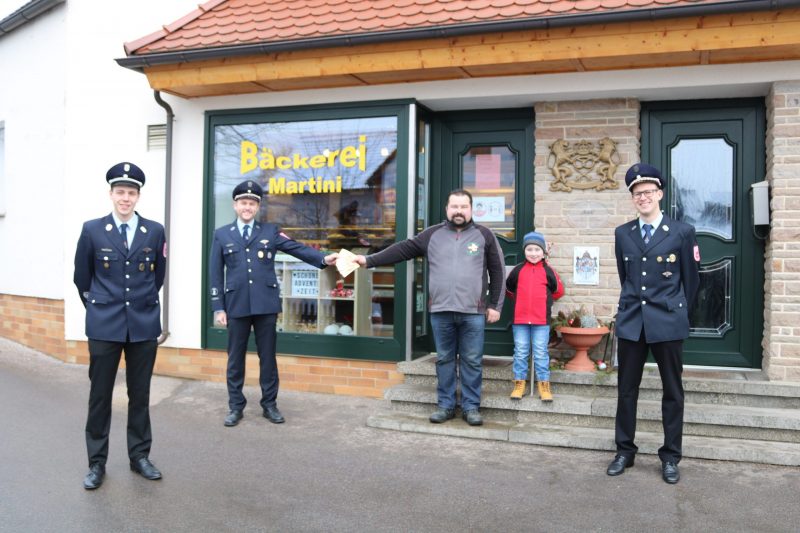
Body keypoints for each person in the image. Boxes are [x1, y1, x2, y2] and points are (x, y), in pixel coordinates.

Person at [354, 189, 505, 426]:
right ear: (446, 209)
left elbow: (498, 272)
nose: (458, 211)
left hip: (473, 312)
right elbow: (402, 249)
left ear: (471, 209)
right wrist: (369, 260)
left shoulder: (484, 235)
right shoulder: (431, 235)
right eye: (454, 206)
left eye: (463, 207)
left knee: (472, 360)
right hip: (441, 310)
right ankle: (445, 406)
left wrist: (495, 305)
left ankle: (471, 407)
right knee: (444, 359)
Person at [210, 180, 337, 427]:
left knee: (267, 358)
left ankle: (270, 404)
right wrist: (218, 306)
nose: (247, 207)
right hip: (235, 304)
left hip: (265, 304)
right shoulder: (222, 234)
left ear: (257, 207)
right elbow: (216, 272)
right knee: (235, 358)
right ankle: (235, 406)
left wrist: (323, 258)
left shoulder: (269, 231)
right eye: (243, 203)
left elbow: (295, 248)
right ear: (235, 205)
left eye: (252, 203)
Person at [73, 162, 167, 490]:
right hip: (103, 325)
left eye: (131, 192)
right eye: (120, 192)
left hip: (142, 324)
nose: (125, 198)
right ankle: (96, 463)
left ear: (138, 196)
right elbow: (82, 277)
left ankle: (139, 456)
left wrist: (135, 305)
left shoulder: (154, 231)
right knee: (100, 396)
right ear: (111, 194)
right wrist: (102, 307)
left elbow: (157, 277)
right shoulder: (92, 229)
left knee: (139, 395)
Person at [606, 163, 700, 484]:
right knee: (626, 390)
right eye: (637, 193)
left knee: (672, 391)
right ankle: (624, 451)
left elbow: (691, 281)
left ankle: (671, 456)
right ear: (632, 199)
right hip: (633, 322)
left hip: (668, 322)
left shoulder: (681, 232)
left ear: (659, 194)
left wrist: (679, 315)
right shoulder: (623, 233)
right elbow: (626, 277)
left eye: (648, 192)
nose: (643, 197)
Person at [505, 231, 564, 401]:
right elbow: (509, 289)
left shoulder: (548, 271)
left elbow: (558, 291)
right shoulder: (517, 270)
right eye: (529, 249)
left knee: (540, 353)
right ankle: (519, 384)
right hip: (520, 320)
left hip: (541, 320)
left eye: (537, 250)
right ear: (524, 251)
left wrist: (543, 301)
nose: (533, 253)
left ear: (543, 251)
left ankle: (544, 386)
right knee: (521, 352)